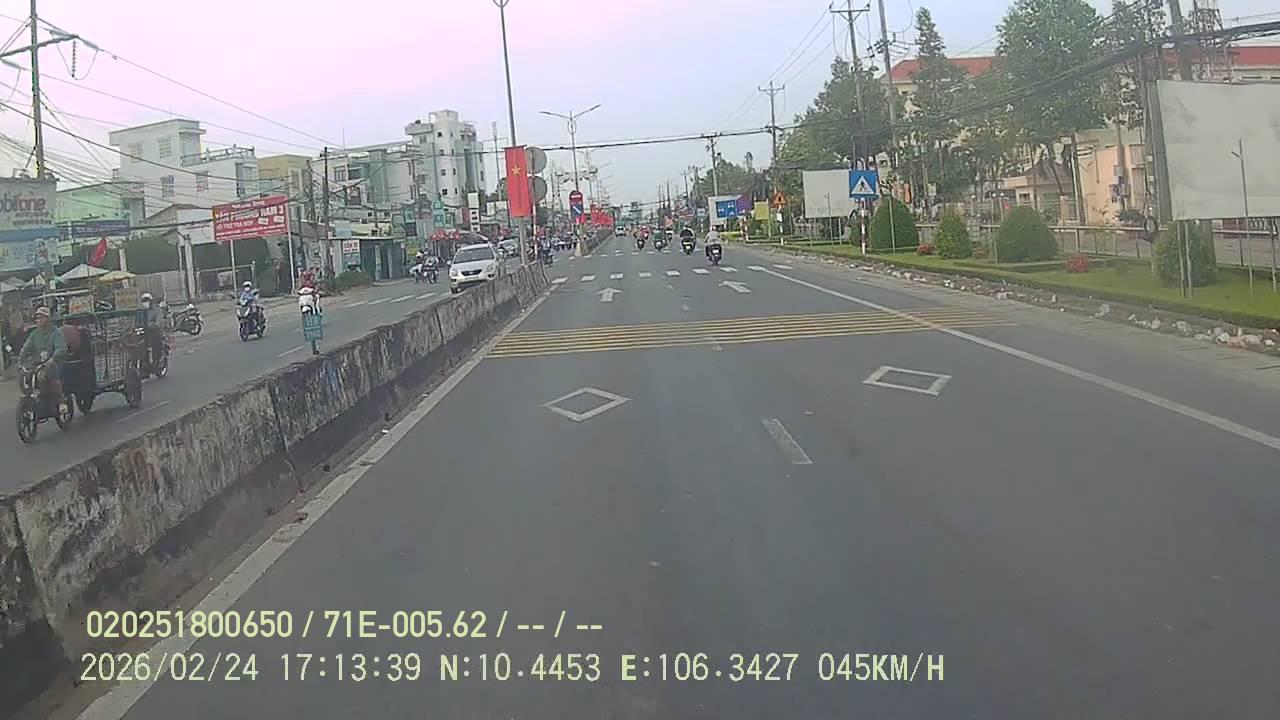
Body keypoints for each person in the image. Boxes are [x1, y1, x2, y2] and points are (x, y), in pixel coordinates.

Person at [19, 306, 69, 413]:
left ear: (48, 319)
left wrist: (52, 359)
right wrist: (20, 362)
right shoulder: (34, 334)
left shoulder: (56, 332)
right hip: (39, 363)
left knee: (44, 375)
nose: (39, 320)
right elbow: (26, 348)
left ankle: (61, 402)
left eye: (41, 317)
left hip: (55, 362)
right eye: (37, 318)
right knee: (25, 375)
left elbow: (61, 348)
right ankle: (34, 396)